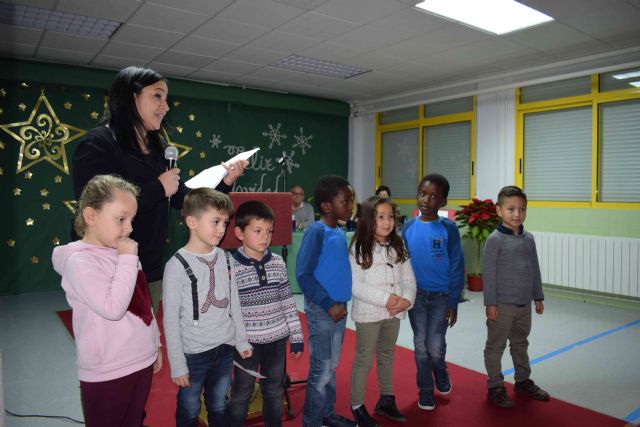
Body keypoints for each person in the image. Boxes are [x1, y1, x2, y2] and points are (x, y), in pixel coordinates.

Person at [72, 66, 248, 312]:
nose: (165, 106)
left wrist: (225, 181)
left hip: (150, 264)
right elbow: (95, 208)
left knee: (145, 339)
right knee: (114, 344)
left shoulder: (158, 146)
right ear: (131, 97)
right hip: (108, 264)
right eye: (157, 96)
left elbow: (181, 199)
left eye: (166, 99)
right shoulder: (98, 144)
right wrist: (157, 188)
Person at [52, 174, 162, 427]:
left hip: (141, 359)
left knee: (134, 420)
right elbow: (113, 308)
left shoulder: (125, 254)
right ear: (91, 216)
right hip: (108, 371)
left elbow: (143, 301)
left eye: (132, 220)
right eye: (121, 219)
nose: (130, 228)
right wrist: (127, 259)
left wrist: (155, 343)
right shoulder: (79, 261)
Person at [162, 188, 252, 427]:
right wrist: (178, 364)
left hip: (224, 347)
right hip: (193, 352)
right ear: (192, 221)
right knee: (190, 408)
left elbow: (235, 305)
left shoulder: (226, 258)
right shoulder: (176, 265)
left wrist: (241, 340)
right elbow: (170, 318)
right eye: (215, 222)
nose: (222, 229)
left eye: (224, 222)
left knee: (219, 404)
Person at [229, 201, 304, 427]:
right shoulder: (231, 266)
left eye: (269, 231)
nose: (265, 237)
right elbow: (229, 311)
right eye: (258, 231)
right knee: (242, 393)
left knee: (273, 392)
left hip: (277, 341)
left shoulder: (278, 263)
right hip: (246, 345)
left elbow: (288, 302)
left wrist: (297, 336)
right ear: (239, 233)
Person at [349, 196, 416, 426]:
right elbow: (356, 285)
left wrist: (407, 300)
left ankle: (386, 399)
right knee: (364, 360)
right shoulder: (359, 246)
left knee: (387, 356)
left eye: (390, 217)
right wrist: (386, 299)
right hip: (369, 314)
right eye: (380, 217)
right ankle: (357, 406)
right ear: (369, 219)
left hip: (393, 313)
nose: (387, 222)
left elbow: (408, 278)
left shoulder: (398, 244)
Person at [401, 173, 464, 411]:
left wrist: (453, 301)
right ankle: (425, 389)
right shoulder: (407, 227)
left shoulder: (448, 229)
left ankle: (440, 369)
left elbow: (457, 265)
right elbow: (401, 263)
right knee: (420, 345)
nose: (426, 200)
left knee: (435, 347)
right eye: (423, 193)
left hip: (440, 297)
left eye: (434, 196)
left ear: (443, 202)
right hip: (416, 296)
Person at [296, 175, 355, 427]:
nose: (351, 205)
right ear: (326, 206)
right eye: (346, 201)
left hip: (339, 309)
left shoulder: (338, 231)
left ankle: (326, 414)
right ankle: (311, 421)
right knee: (321, 370)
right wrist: (328, 303)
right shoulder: (316, 232)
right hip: (323, 310)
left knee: (331, 368)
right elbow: (304, 275)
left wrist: (340, 303)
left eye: (351, 200)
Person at [483, 185, 549, 408]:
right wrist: (490, 303)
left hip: (524, 306)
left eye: (522, 209)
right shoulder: (495, 240)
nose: (517, 214)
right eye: (511, 209)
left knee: (520, 344)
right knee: (495, 346)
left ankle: (522, 380)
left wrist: (537, 296)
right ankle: (495, 386)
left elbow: (534, 268)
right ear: (499, 210)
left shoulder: (528, 239)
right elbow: (489, 275)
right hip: (502, 306)